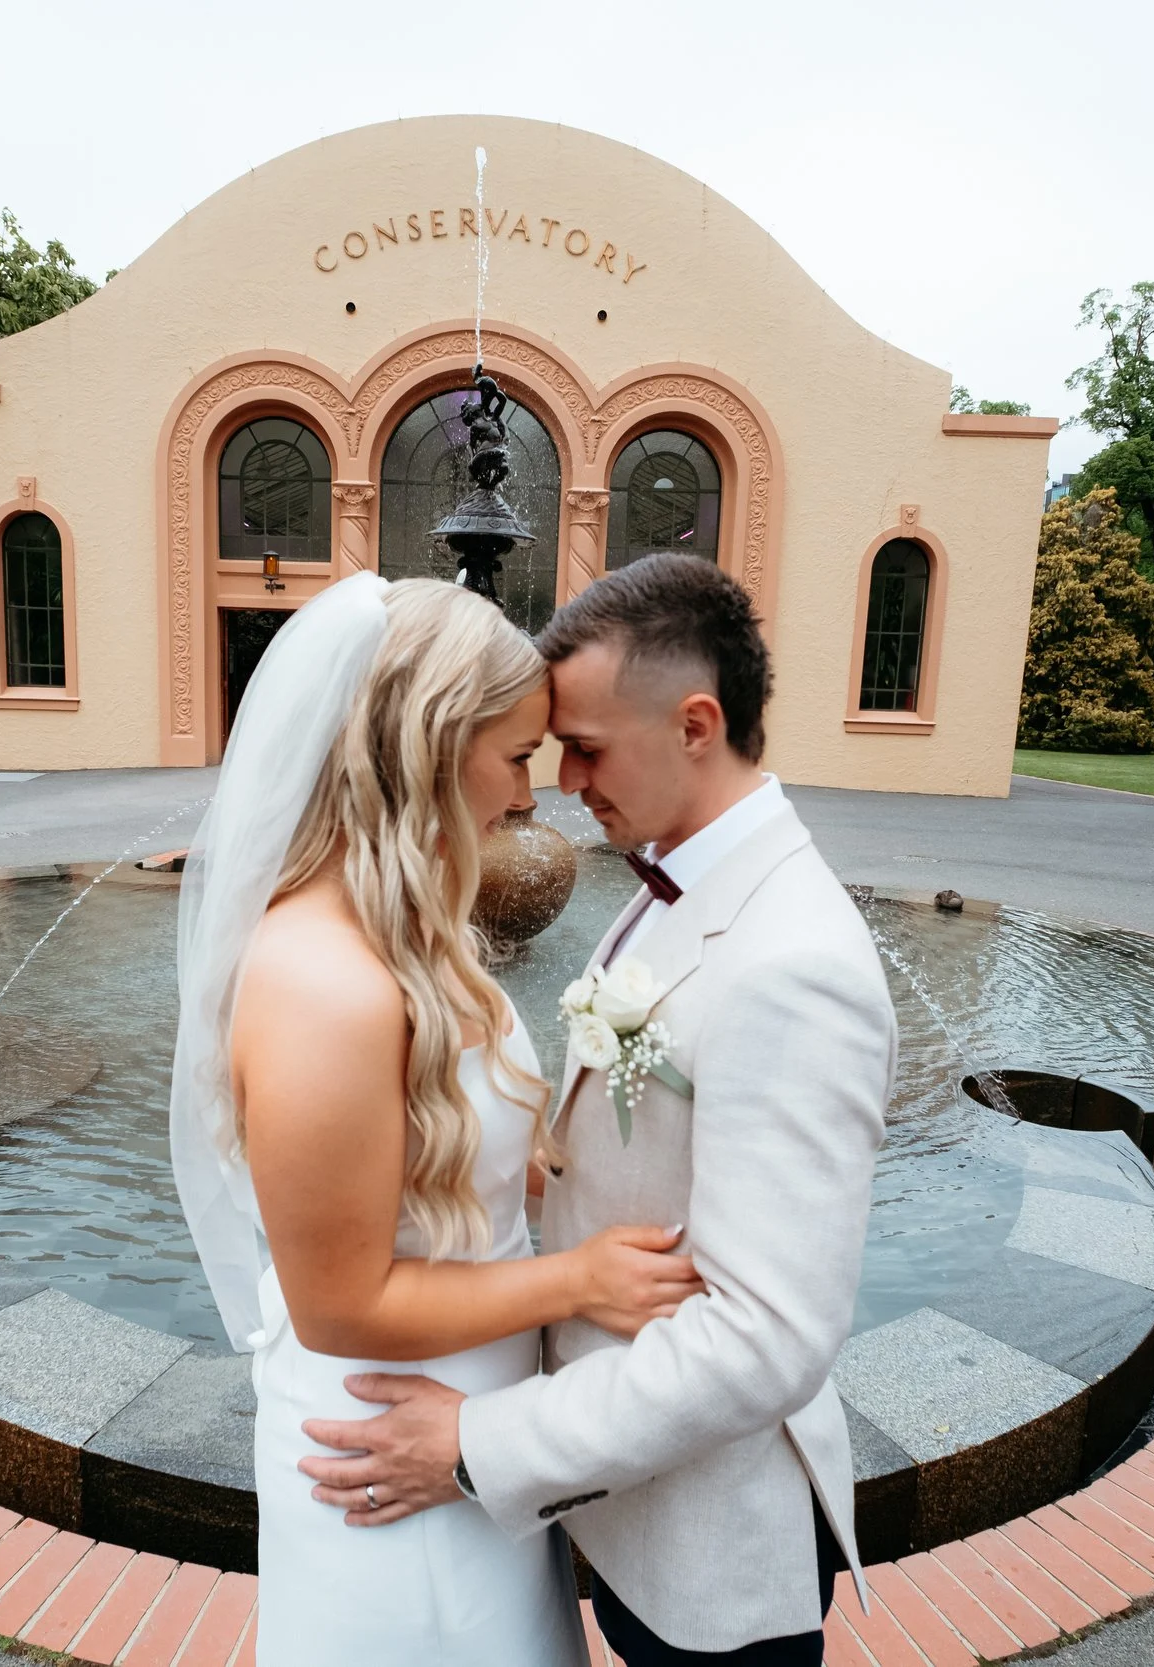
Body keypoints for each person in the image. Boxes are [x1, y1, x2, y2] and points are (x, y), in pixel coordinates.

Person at [299, 553, 897, 1664]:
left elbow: (767, 1336)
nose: (561, 782)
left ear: (695, 724)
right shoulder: (670, 883)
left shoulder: (793, 962)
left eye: (585, 745)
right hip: (621, 1494)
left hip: (706, 1545)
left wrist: (479, 1440)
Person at [170, 573, 706, 1667]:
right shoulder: (324, 983)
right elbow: (340, 1301)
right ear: (425, 747)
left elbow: (453, 1170)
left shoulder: (407, 933)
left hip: (469, 1427)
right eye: (512, 756)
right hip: (384, 1441)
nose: (527, 796)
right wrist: (582, 1277)